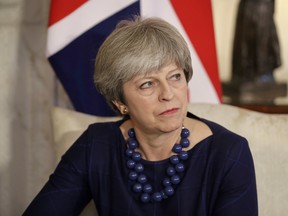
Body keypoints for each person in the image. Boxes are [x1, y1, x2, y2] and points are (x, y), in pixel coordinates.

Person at [23, 16, 258, 215]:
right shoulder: (96, 146)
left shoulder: (229, 153)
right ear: (120, 102)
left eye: (175, 76)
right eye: (147, 84)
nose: (168, 94)